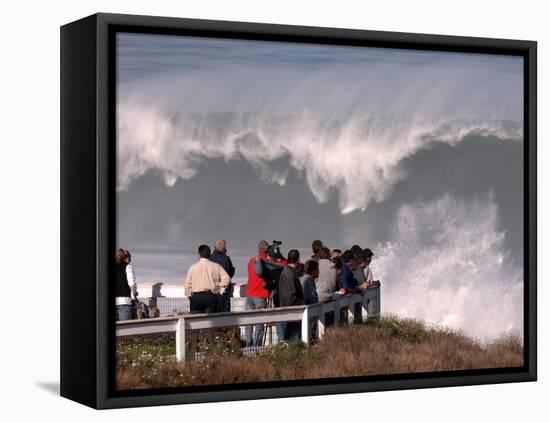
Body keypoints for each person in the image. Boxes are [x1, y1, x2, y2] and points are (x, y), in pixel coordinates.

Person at [245, 241, 283, 346]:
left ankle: (248, 344)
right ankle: (256, 345)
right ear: (267, 250)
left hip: (249, 294)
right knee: (259, 322)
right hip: (260, 295)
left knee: (248, 321)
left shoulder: (251, 261)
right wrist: (275, 257)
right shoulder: (267, 262)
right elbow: (281, 266)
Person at [184, 245, 230, 313]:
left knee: (196, 321)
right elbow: (227, 279)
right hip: (210, 296)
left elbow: (187, 284)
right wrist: (218, 287)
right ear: (209, 254)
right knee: (210, 320)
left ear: (199, 254)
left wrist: (190, 296)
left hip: (196, 297)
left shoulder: (192, 268)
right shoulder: (216, 266)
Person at [278, 249, 305, 340]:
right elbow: (291, 296)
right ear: (298, 260)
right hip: (292, 312)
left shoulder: (287, 272)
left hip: (288, 311)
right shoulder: (289, 274)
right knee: (292, 338)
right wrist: (302, 303)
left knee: (290, 337)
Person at [209, 239, 235, 312]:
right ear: (224, 248)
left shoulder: (210, 258)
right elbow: (230, 272)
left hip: (211, 289)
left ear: (214, 247)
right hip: (223, 290)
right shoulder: (226, 259)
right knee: (224, 312)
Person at [115, 248, 138, 321]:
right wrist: (134, 292)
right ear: (126, 257)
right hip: (124, 301)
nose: (130, 260)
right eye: (129, 257)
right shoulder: (128, 266)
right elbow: (132, 283)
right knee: (124, 329)